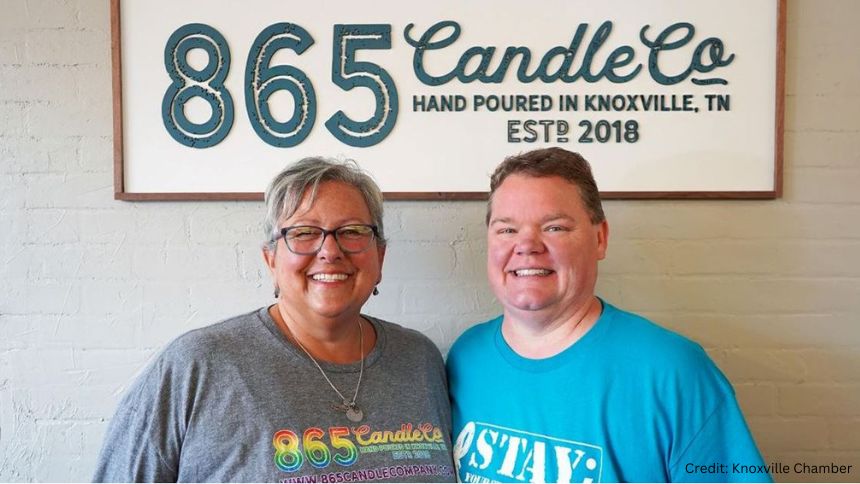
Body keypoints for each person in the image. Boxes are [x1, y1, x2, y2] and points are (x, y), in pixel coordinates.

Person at [94, 157, 456, 482]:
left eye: (352, 231)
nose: (330, 251)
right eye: (304, 233)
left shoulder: (419, 360)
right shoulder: (198, 365)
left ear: (380, 256)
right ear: (271, 260)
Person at [447, 147, 770, 483]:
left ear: (600, 238)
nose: (527, 245)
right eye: (506, 230)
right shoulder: (466, 357)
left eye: (554, 227)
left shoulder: (673, 372)